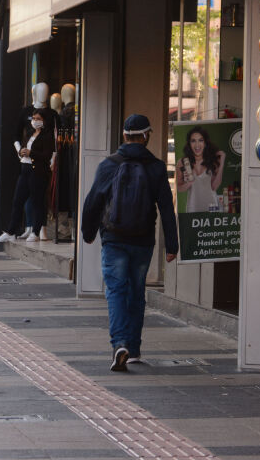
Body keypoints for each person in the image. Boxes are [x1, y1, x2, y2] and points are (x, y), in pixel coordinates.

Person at [81, 114, 178, 371]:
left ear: (124, 136)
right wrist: (172, 245)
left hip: (114, 239)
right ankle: (133, 349)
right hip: (143, 241)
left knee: (115, 290)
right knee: (136, 292)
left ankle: (119, 343)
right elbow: (167, 208)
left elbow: (92, 202)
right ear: (146, 136)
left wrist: (88, 232)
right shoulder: (156, 167)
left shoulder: (109, 165)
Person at [0, 110, 55, 243]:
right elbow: (25, 147)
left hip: (38, 172)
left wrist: (31, 153)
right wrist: (22, 151)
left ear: (44, 121)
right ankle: (11, 231)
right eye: (33, 118)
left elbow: (46, 156)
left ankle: (35, 231)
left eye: (38, 118)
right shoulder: (30, 133)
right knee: (18, 201)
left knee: (37, 202)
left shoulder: (48, 136)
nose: (34, 120)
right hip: (25, 169)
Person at [175, 127, 225, 213]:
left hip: (212, 208)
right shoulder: (182, 162)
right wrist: (189, 183)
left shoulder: (212, 160)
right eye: (193, 141)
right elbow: (179, 188)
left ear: (205, 143)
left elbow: (214, 186)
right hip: (192, 208)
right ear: (189, 144)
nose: (197, 145)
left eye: (200, 140)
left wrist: (221, 163)